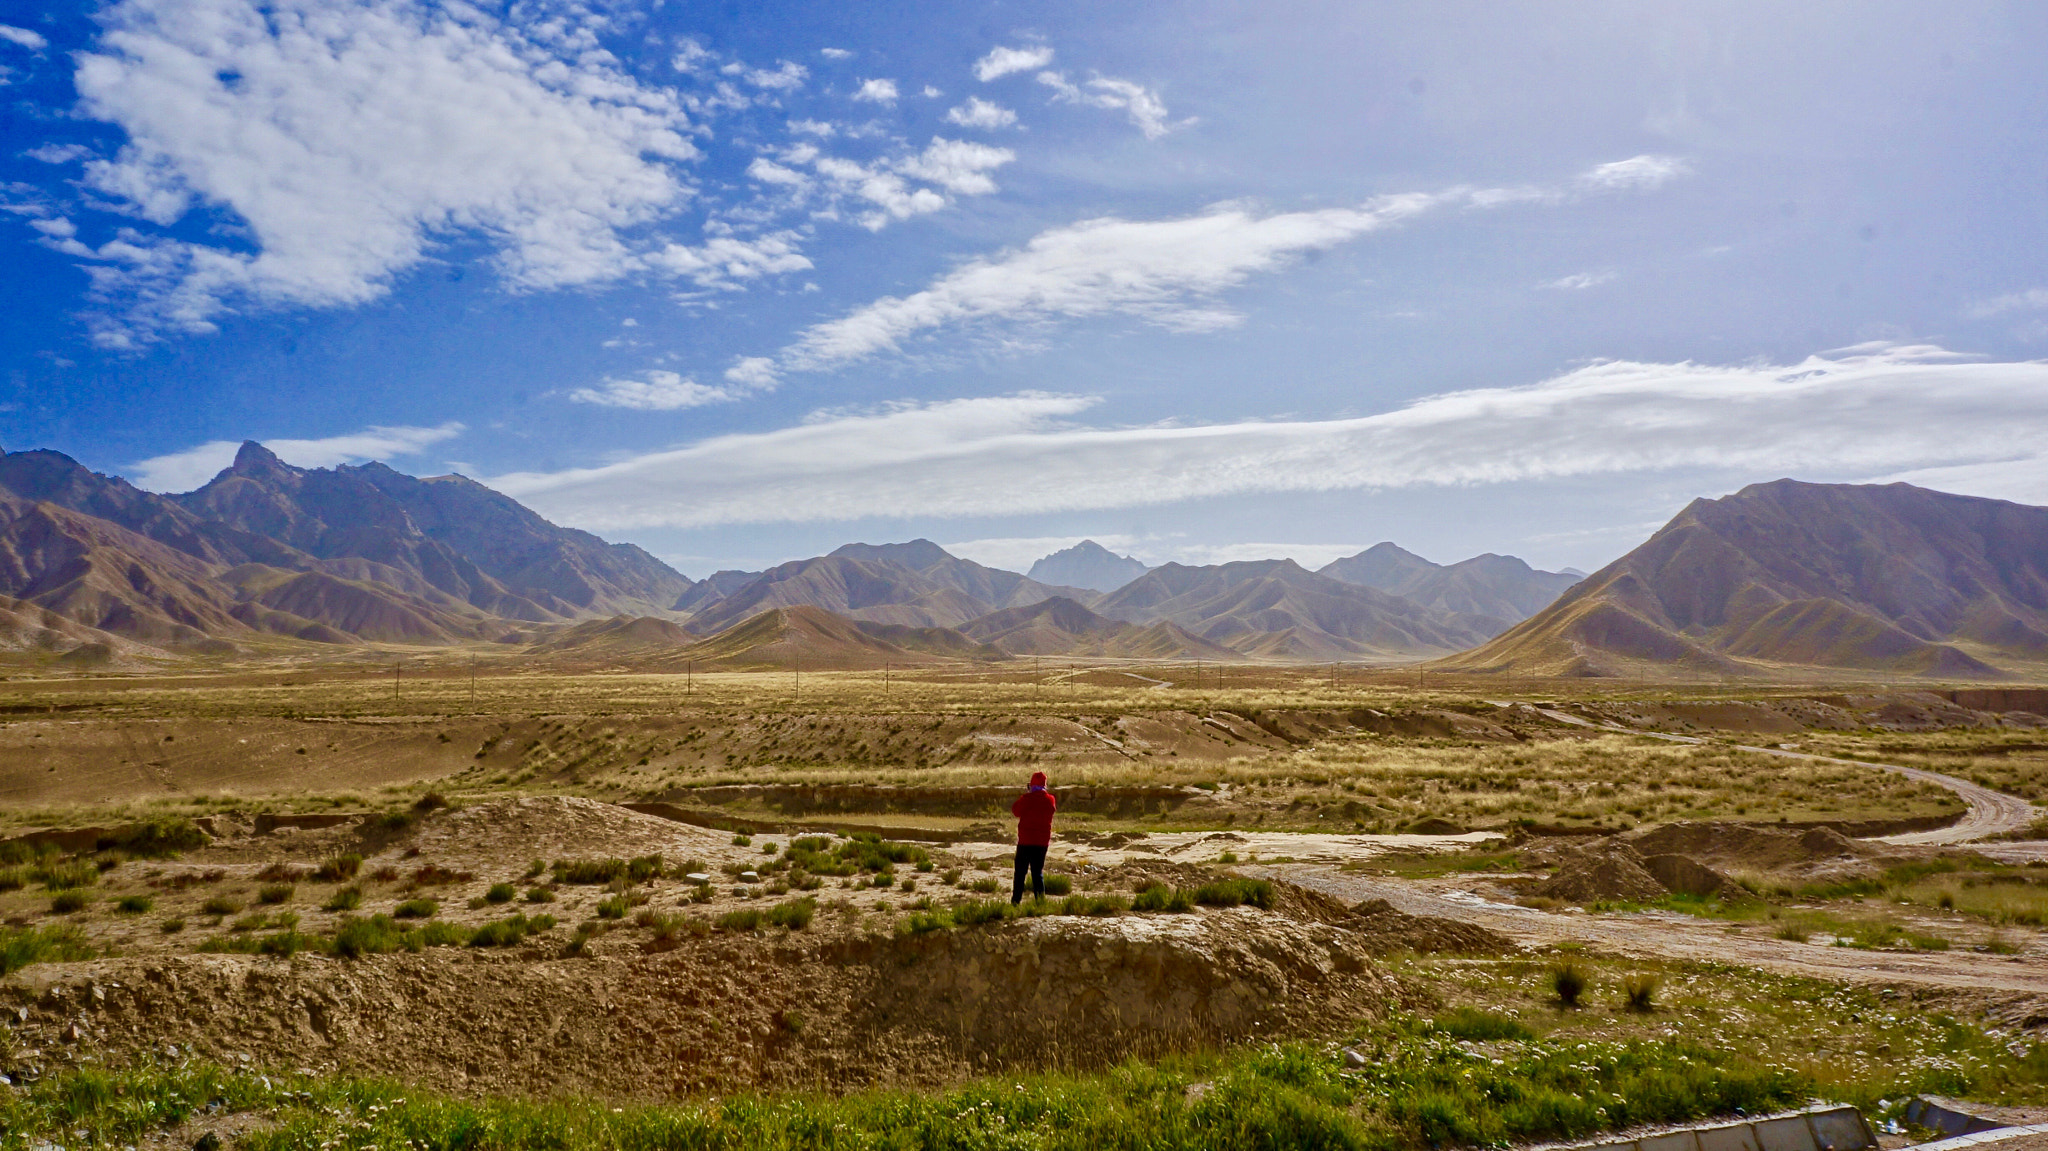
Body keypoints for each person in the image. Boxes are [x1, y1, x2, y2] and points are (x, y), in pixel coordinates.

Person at [1010, 770, 1057, 904]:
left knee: (1020, 873)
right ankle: (1040, 903)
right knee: (1037, 873)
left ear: (1031, 785)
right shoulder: (1050, 800)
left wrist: (1026, 795)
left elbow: (1015, 811)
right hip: (1042, 843)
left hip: (1026, 841)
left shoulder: (1026, 799)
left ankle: (1015, 901)